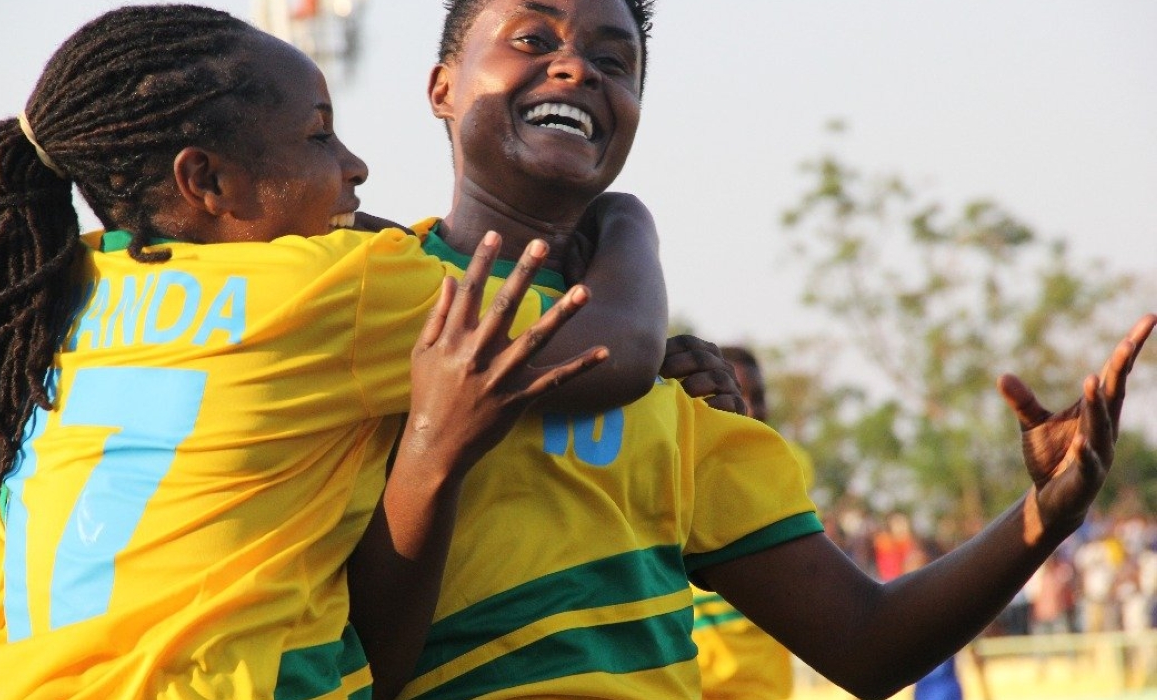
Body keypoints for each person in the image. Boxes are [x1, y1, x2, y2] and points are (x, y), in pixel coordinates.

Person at [374, 1, 1156, 699]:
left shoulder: (678, 393)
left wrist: (1047, 515)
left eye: (615, 61)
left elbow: (866, 641)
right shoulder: (354, 295)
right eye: (532, 36)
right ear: (442, 86)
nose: (576, 66)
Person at [0, 5, 677, 699]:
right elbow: (616, 345)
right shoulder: (337, 287)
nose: (355, 166)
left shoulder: (27, 311)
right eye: (319, 138)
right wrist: (628, 220)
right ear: (205, 180)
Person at [691, 346, 810, 700]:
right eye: (737, 393)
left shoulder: (787, 466)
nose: (752, 408)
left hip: (767, 691)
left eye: (758, 396)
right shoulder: (677, 473)